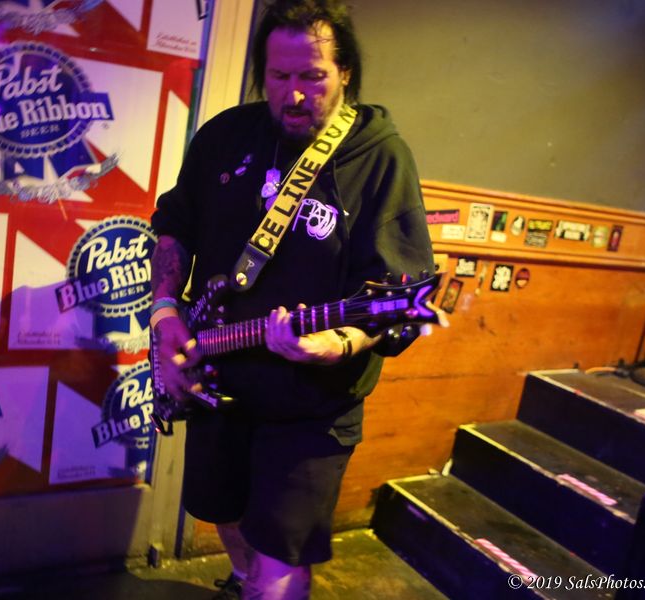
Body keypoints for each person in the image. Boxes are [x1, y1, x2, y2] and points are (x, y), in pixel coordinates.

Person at [150, 0, 434, 598]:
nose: (295, 94)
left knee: (281, 554)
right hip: (217, 375)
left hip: (313, 403)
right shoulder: (225, 135)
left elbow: (399, 299)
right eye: (279, 76)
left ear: (346, 71)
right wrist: (165, 313)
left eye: (313, 75)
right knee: (222, 513)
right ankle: (244, 581)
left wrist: (339, 342)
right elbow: (174, 224)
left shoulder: (381, 157)